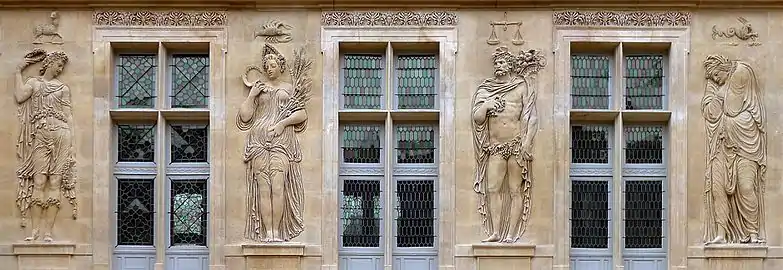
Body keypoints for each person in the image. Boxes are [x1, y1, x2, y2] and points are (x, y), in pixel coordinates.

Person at [471, 47, 543, 243]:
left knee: (514, 190)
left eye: (501, 62)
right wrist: (486, 105)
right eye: (496, 63)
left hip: (516, 145)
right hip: (495, 147)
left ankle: (511, 234)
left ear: (510, 65)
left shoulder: (521, 87)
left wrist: (527, 144)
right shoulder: (486, 89)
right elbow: (477, 119)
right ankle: (495, 232)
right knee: (492, 189)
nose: (497, 66)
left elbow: (532, 117)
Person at [237, 45, 307, 242]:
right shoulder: (258, 89)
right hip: (258, 142)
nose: (269, 68)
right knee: (263, 189)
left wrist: (282, 124)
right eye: (266, 65)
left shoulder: (289, 89)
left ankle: (277, 232)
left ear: (281, 66)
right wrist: (252, 95)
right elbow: (244, 116)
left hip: (281, 142)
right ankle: (267, 233)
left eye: (273, 64)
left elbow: (302, 114)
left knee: (278, 187)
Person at [15, 49, 78, 242]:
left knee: (55, 183)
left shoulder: (63, 88)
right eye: (59, 65)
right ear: (50, 63)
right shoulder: (34, 83)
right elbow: (19, 96)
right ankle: (35, 231)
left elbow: (69, 116)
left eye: (62, 67)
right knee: (39, 181)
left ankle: (49, 233)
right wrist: (18, 71)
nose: (60, 69)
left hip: (61, 135)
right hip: (41, 134)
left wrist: (73, 144)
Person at [702, 55, 766, 244]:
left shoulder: (741, 72)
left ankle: (753, 233)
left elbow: (732, 107)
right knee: (717, 188)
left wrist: (718, 92)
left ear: (724, 67)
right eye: (712, 78)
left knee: (746, 187)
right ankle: (721, 234)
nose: (715, 80)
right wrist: (715, 90)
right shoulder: (720, 82)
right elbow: (710, 112)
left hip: (746, 145)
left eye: (716, 75)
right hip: (722, 144)